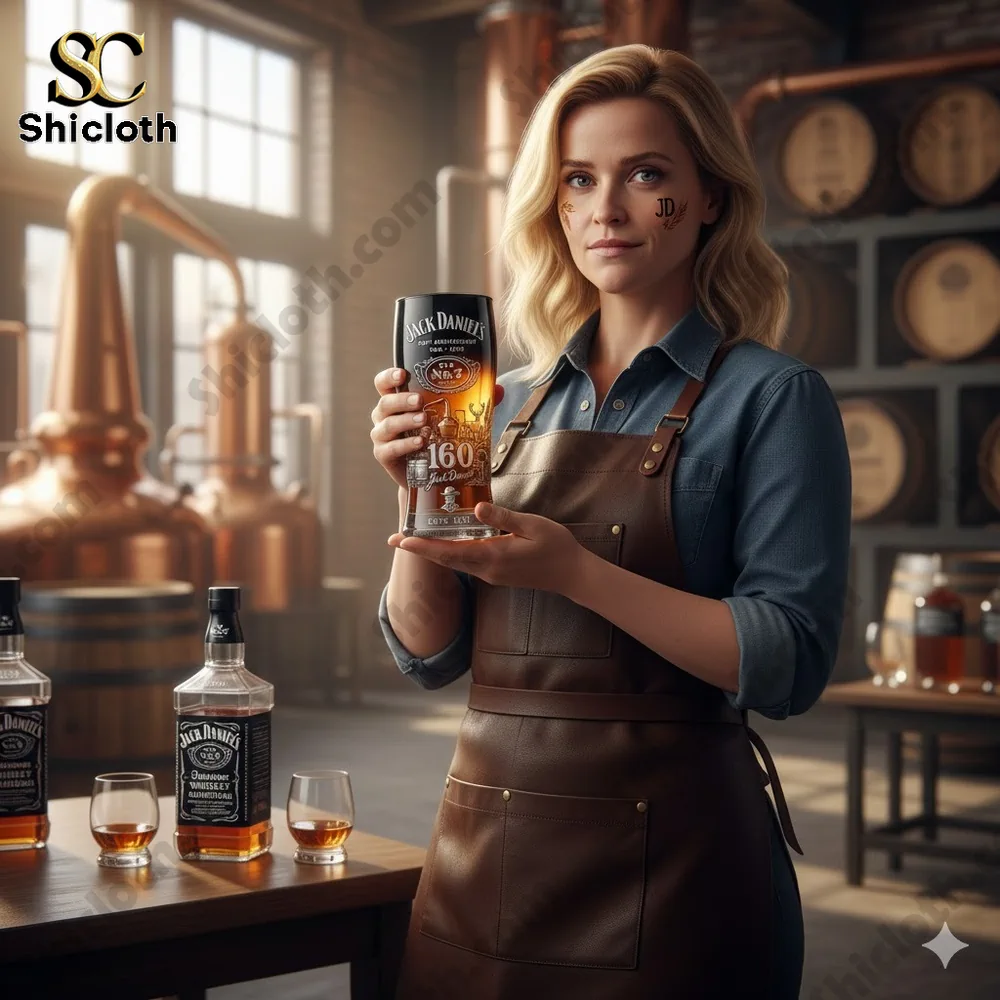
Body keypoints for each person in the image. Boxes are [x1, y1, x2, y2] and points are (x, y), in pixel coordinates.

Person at [371, 43, 851, 1000]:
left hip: (682, 866)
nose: (606, 209)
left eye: (647, 175)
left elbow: (787, 658)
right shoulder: (497, 401)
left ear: (708, 197)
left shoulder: (773, 397)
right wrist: (415, 496)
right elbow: (428, 656)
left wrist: (576, 572)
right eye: (578, 179)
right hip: (485, 854)